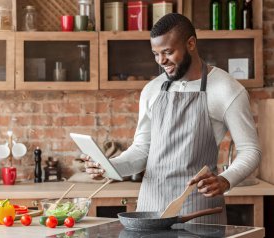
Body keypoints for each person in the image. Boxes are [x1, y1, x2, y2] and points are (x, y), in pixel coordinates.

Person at [84, 13, 261, 224]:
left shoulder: (227, 89)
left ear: (191, 43)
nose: (161, 61)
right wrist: (109, 167)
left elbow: (250, 150)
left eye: (168, 52)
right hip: (150, 211)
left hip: (198, 211)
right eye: (155, 54)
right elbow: (142, 150)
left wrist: (225, 180)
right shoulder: (152, 90)